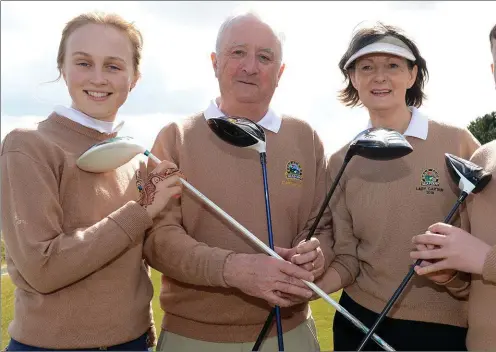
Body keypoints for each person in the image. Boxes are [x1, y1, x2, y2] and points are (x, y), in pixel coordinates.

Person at [142, 11, 333, 352]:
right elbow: (158, 241)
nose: (250, 66)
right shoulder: (175, 138)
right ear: (215, 62)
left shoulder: (305, 138)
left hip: (291, 334)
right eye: (238, 53)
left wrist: (315, 254)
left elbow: (323, 227)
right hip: (195, 339)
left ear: (280, 71)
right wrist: (235, 269)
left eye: (265, 57)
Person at [1, 11, 182, 351]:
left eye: (113, 66)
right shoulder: (27, 146)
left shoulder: (134, 158)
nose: (98, 78)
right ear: (62, 68)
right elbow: (43, 268)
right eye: (84, 63)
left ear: (134, 77)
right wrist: (141, 212)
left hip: (133, 343)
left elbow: (133, 268)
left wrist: (146, 331)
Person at [314, 22, 481, 351]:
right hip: (358, 319)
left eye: (392, 65)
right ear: (352, 78)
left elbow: (485, 237)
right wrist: (307, 283)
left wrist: (454, 278)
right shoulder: (340, 161)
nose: (379, 76)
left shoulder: (457, 141)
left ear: (412, 74)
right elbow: (347, 254)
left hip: (443, 325)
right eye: (366, 67)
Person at [410, 23, 496, 351]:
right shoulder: (483, 157)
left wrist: (485, 258)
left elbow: (483, 259)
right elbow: (474, 284)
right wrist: (450, 274)